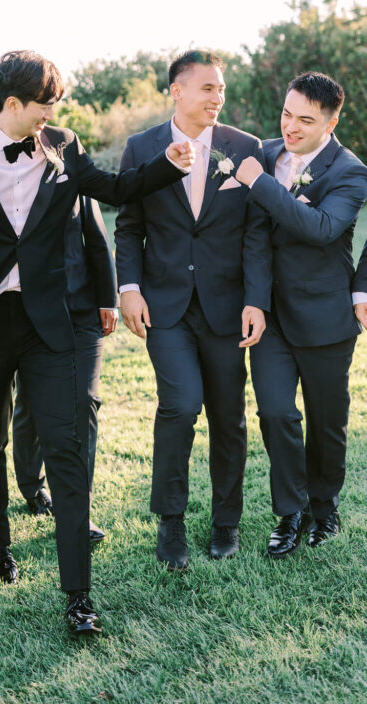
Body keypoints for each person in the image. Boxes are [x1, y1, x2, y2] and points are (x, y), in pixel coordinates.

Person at [0, 50, 193, 635]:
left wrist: (168, 165)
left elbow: (115, 188)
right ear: (12, 103)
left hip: (51, 321)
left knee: (65, 448)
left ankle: (79, 597)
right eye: (44, 105)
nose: (52, 114)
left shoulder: (61, 143)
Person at [115, 50, 271, 571]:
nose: (217, 97)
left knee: (228, 415)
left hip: (227, 306)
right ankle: (171, 522)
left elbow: (256, 232)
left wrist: (255, 299)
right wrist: (129, 287)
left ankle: (226, 522)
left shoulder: (244, 148)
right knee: (180, 407)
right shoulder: (141, 147)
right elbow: (128, 227)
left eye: (220, 88)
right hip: (166, 305)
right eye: (207, 88)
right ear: (176, 91)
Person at [235, 72, 367, 556]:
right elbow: (255, 235)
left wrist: (260, 184)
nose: (290, 127)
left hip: (325, 316)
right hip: (269, 317)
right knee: (275, 413)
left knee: (326, 420)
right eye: (287, 114)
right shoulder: (266, 153)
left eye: (305, 121)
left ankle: (325, 506)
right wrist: (254, 300)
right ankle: (290, 510)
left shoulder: (351, 172)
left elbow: (322, 228)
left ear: (331, 123)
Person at [12, 194, 117, 542]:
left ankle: (77, 511)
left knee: (83, 400)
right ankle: (31, 484)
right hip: (29, 314)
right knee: (31, 402)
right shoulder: (4, 173)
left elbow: (97, 237)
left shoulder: (72, 169)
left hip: (82, 310)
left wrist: (108, 299)